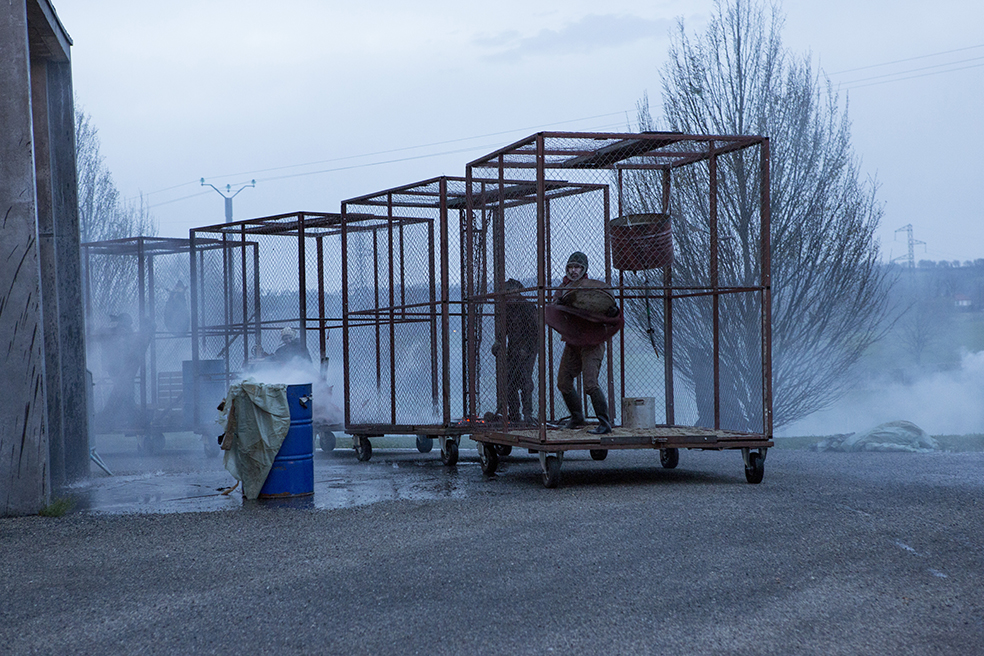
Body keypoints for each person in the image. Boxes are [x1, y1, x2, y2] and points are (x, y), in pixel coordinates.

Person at [553, 252, 621, 434]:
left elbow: (610, 310)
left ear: (584, 269)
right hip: (573, 343)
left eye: (577, 267)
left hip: (592, 342)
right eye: (570, 267)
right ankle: (577, 417)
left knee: (590, 383)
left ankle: (604, 423)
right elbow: (554, 312)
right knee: (563, 382)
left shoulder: (593, 289)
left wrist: (612, 312)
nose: (573, 271)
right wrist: (559, 304)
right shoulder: (563, 289)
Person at [491, 278, 538, 423]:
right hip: (513, 349)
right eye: (506, 292)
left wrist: (527, 349)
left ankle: (527, 414)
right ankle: (514, 415)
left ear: (518, 291)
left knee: (525, 381)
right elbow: (503, 328)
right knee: (509, 383)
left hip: (528, 351)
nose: (509, 294)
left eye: (511, 291)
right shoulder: (507, 308)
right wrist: (499, 341)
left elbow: (536, 332)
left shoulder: (528, 307)